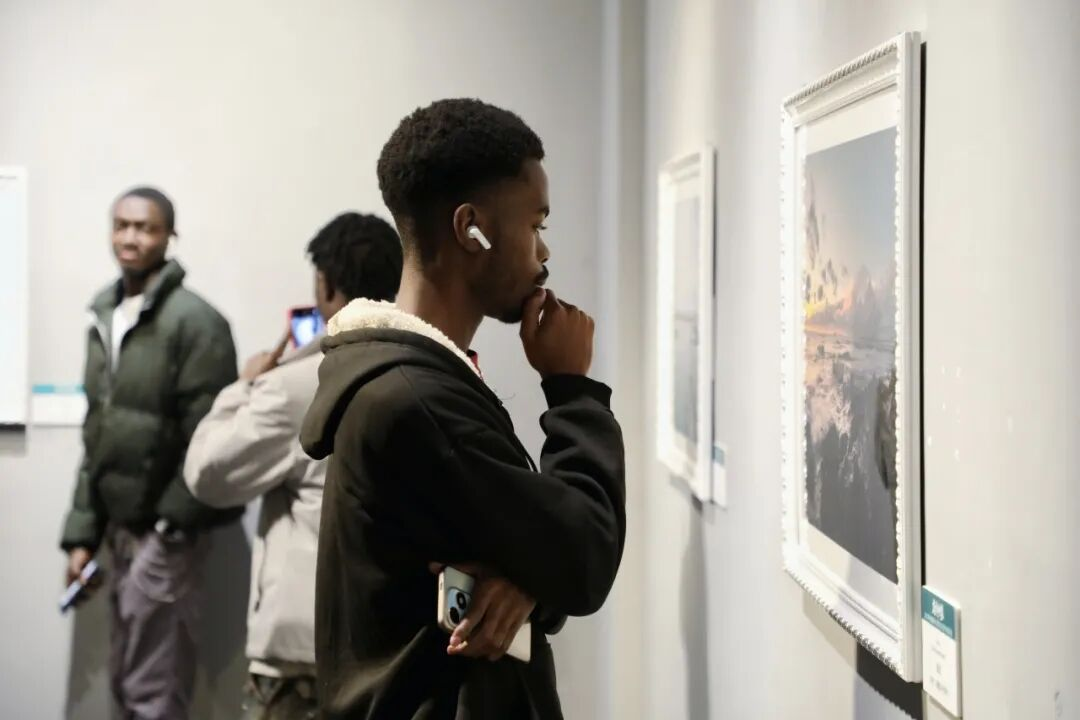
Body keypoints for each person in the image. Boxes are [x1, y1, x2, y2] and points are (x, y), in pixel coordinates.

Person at [300, 98, 626, 719]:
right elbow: (585, 555)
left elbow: (534, 550)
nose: (544, 254)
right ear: (471, 228)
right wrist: (571, 389)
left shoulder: (410, 378)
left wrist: (529, 582)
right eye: (536, 226)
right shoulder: (417, 399)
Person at [183, 212, 403, 719]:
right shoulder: (422, 373)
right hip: (392, 644)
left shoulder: (296, 387)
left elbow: (207, 475)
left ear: (325, 286)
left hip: (304, 653)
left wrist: (246, 387)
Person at [59, 186, 241, 720]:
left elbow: (211, 440)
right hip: (119, 530)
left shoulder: (196, 321)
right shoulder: (105, 315)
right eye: (121, 225)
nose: (130, 237)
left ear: (169, 236)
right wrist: (83, 534)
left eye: (145, 227)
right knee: (128, 682)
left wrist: (169, 529)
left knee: (154, 691)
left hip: (165, 535)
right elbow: (98, 434)